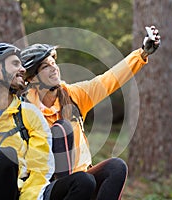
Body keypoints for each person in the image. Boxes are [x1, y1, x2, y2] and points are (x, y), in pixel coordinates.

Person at [20, 26, 161, 199]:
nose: (54, 68)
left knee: (116, 167)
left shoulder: (74, 96)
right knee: (63, 135)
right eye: (45, 67)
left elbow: (109, 80)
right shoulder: (24, 110)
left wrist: (141, 54)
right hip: (47, 187)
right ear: (31, 78)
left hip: (83, 179)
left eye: (53, 63)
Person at [0, 43, 96, 200]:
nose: (23, 69)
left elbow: (40, 169)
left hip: (30, 194)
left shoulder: (30, 114)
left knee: (84, 181)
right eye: (15, 64)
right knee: (5, 156)